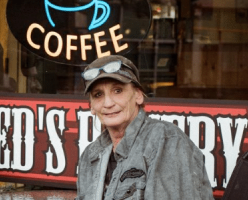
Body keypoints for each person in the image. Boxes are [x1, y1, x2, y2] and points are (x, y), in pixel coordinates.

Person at [75, 55, 213, 199]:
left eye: (118, 91)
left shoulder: (165, 140)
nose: (108, 103)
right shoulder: (90, 156)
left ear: (138, 95)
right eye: (98, 95)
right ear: (91, 106)